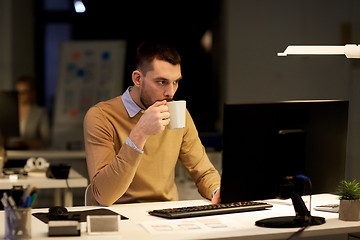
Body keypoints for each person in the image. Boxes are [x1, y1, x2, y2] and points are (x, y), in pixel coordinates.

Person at [84, 41, 221, 206]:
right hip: (120, 216)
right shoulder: (101, 116)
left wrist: (217, 191)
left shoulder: (179, 113)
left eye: (175, 82)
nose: (170, 92)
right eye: (162, 82)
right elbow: (103, 195)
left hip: (165, 216)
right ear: (138, 79)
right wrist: (140, 133)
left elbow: (203, 172)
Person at [13, 76, 50, 149]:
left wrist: (26, 144)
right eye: (17, 92)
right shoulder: (9, 112)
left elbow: (47, 141)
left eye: (23, 92)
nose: (20, 95)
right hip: (10, 154)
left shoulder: (40, 112)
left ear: (32, 92)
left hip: (31, 155)